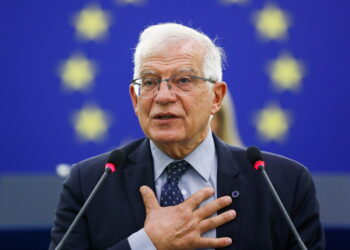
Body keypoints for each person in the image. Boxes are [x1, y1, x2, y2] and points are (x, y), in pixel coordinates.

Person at [49, 23, 325, 250]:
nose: (164, 96)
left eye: (183, 80)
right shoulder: (90, 182)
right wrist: (147, 243)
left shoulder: (283, 182)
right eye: (149, 82)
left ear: (216, 97)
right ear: (136, 99)